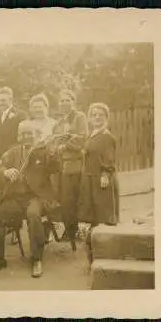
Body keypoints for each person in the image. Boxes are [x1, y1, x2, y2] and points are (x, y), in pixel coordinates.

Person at [0, 121, 60, 278]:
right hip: (16, 198)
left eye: (29, 133)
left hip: (36, 197)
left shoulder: (43, 152)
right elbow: (0, 169)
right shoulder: (12, 152)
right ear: (18, 136)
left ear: (35, 135)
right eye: (23, 134)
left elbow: (55, 167)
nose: (27, 137)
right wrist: (5, 172)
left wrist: (52, 153)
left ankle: (36, 259)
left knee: (33, 215)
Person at [77, 103, 120, 263]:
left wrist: (105, 175)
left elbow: (109, 159)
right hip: (89, 181)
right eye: (94, 115)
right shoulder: (91, 135)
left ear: (106, 118)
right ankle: (93, 259)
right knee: (91, 218)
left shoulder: (107, 137)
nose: (97, 117)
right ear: (89, 118)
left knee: (103, 218)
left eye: (100, 115)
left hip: (101, 182)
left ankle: (105, 259)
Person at [51, 89, 89, 245]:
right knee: (63, 198)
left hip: (74, 163)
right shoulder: (59, 122)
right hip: (60, 165)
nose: (64, 103)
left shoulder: (80, 117)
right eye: (62, 101)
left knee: (72, 197)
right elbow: (54, 139)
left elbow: (82, 138)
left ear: (74, 102)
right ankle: (69, 228)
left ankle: (74, 230)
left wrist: (65, 144)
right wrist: (57, 144)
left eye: (68, 100)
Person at [0, 87, 28, 157]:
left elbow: (23, 138)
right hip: (0, 154)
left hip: (15, 154)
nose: (0, 103)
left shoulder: (20, 115)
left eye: (3, 100)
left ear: (11, 100)